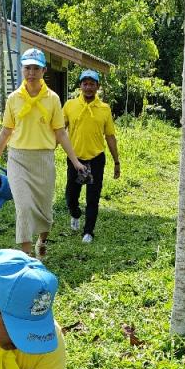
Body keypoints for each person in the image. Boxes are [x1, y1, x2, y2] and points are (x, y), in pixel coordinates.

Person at [0, 48, 89, 259]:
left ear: (44, 70)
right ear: (22, 69)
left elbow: (60, 132)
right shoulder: (14, 98)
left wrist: (76, 161)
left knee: (44, 209)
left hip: (44, 158)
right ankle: (26, 257)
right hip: (18, 158)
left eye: (35, 68)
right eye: (27, 68)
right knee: (23, 207)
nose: (31, 73)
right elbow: (6, 130)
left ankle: (42, 240)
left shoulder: (52, 99)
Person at [62, 69, 121, 244]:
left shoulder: (104, 109)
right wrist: (49, 148)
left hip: (96, 159)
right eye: (85, 83)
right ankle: (75, 213)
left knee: (92, 197)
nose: (88, 87)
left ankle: (88, 232)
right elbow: (59, 131)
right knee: (71, 196)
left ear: (97, 87)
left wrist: (116, 161)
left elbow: (110, 136)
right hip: (75, 159)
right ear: (80, 86)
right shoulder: (70, 106)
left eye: (92, 84)